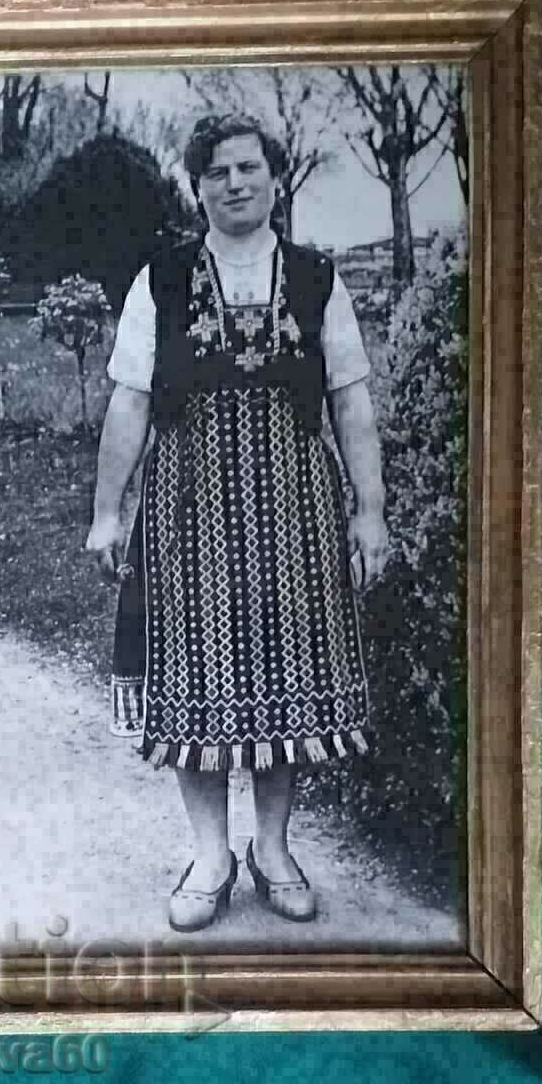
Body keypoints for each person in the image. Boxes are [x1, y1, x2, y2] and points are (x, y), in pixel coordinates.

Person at [85, 113, 389, 932]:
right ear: (198, 186)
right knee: (194, 688)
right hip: (189, 515)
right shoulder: (164, 279)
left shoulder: (321, 279)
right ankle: (211, 857)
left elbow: (351, 402)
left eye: (249, 167)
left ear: (275, 178)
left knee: (286, 685)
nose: (236, 182)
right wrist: (107, 513)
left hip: (298, 515)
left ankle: (276, 850)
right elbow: (131, 400)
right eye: (217, 171)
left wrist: (371, 514)